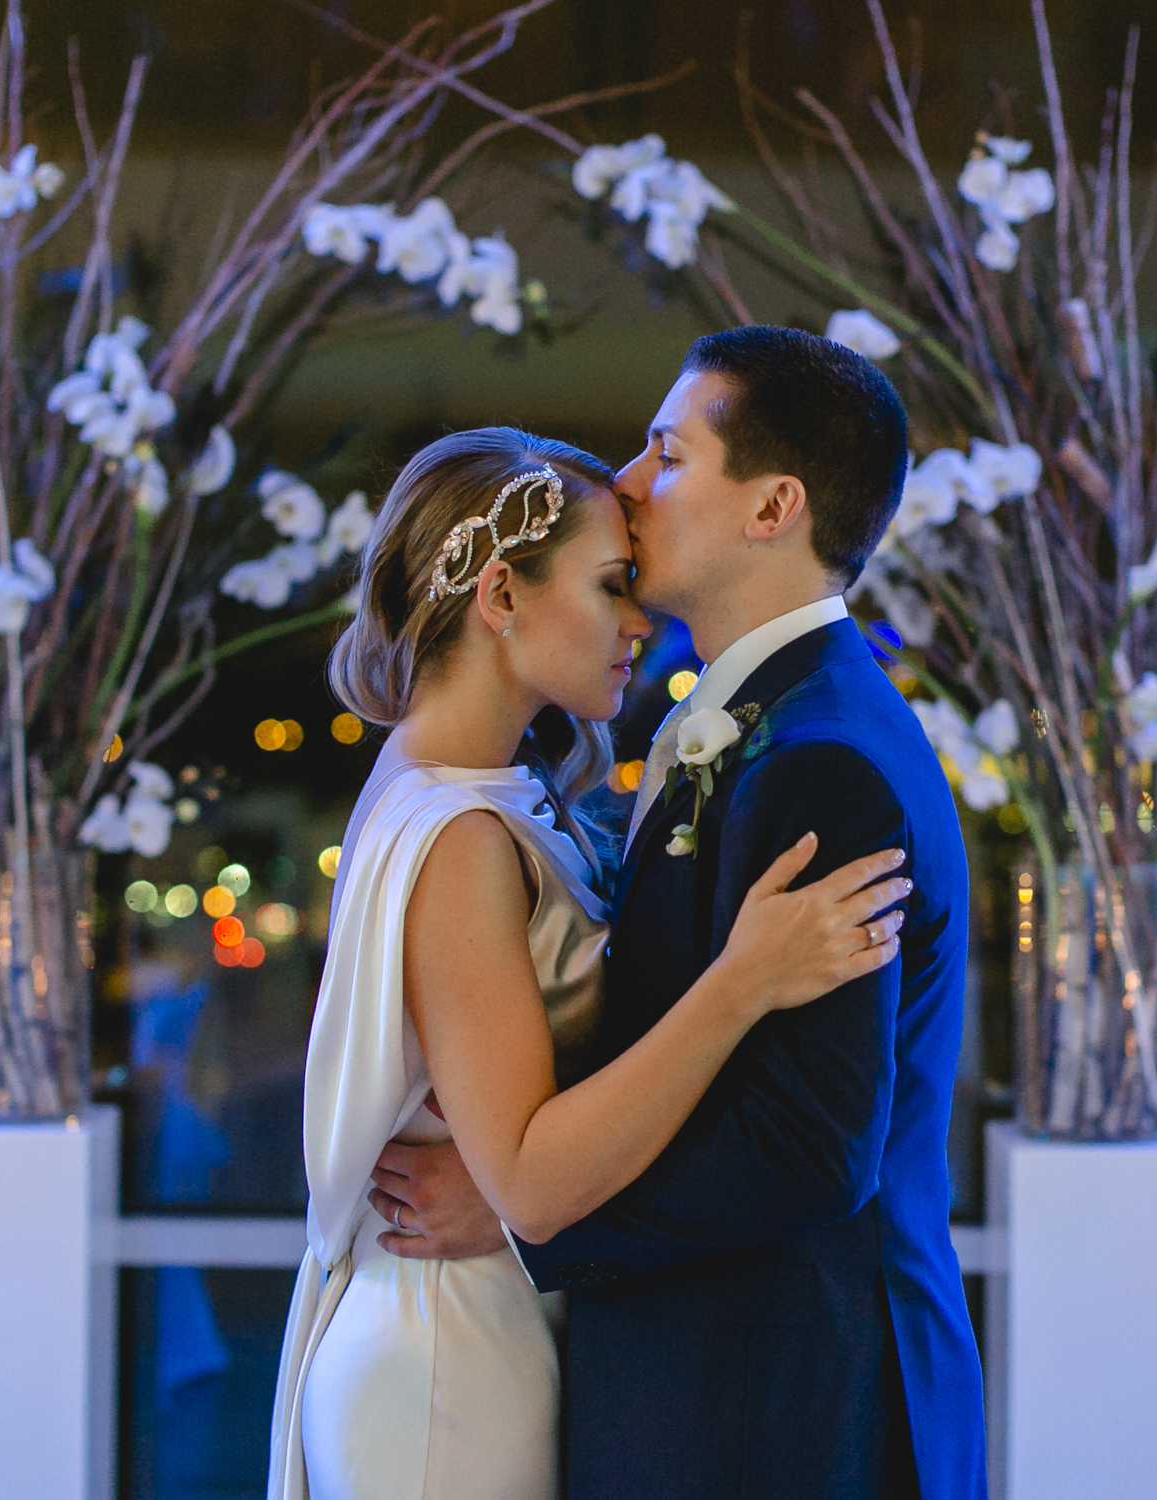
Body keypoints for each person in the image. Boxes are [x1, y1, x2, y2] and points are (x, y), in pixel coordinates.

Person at [369, 328, 987, 1499]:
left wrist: (523, 1213)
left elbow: (807, 1149)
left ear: (773, 507)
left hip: (782, 1412)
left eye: (667, 451)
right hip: (728, 1388)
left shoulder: (823, 763)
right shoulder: (759, 720)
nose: (628, 481)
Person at [267, 425, 912, 1500]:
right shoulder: (462, 837)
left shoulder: (478, 782)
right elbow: (525, 1178)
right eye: (612, 586)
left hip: (485, 1326)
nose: (638, 621)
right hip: (443, 1370)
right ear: (501, 595)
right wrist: (744, 980)